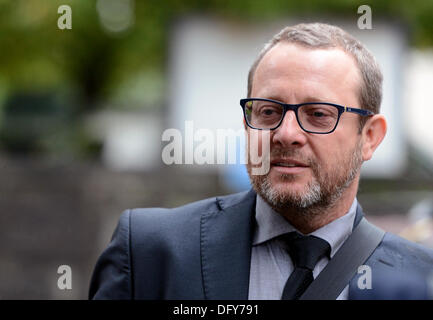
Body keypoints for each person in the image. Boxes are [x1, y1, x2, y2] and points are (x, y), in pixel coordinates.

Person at [89, 22, 433, 300]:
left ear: (369, 136)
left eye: (317, 114)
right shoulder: (152, 252)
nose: (286, 133)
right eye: (269, 111)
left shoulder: (420, 279)